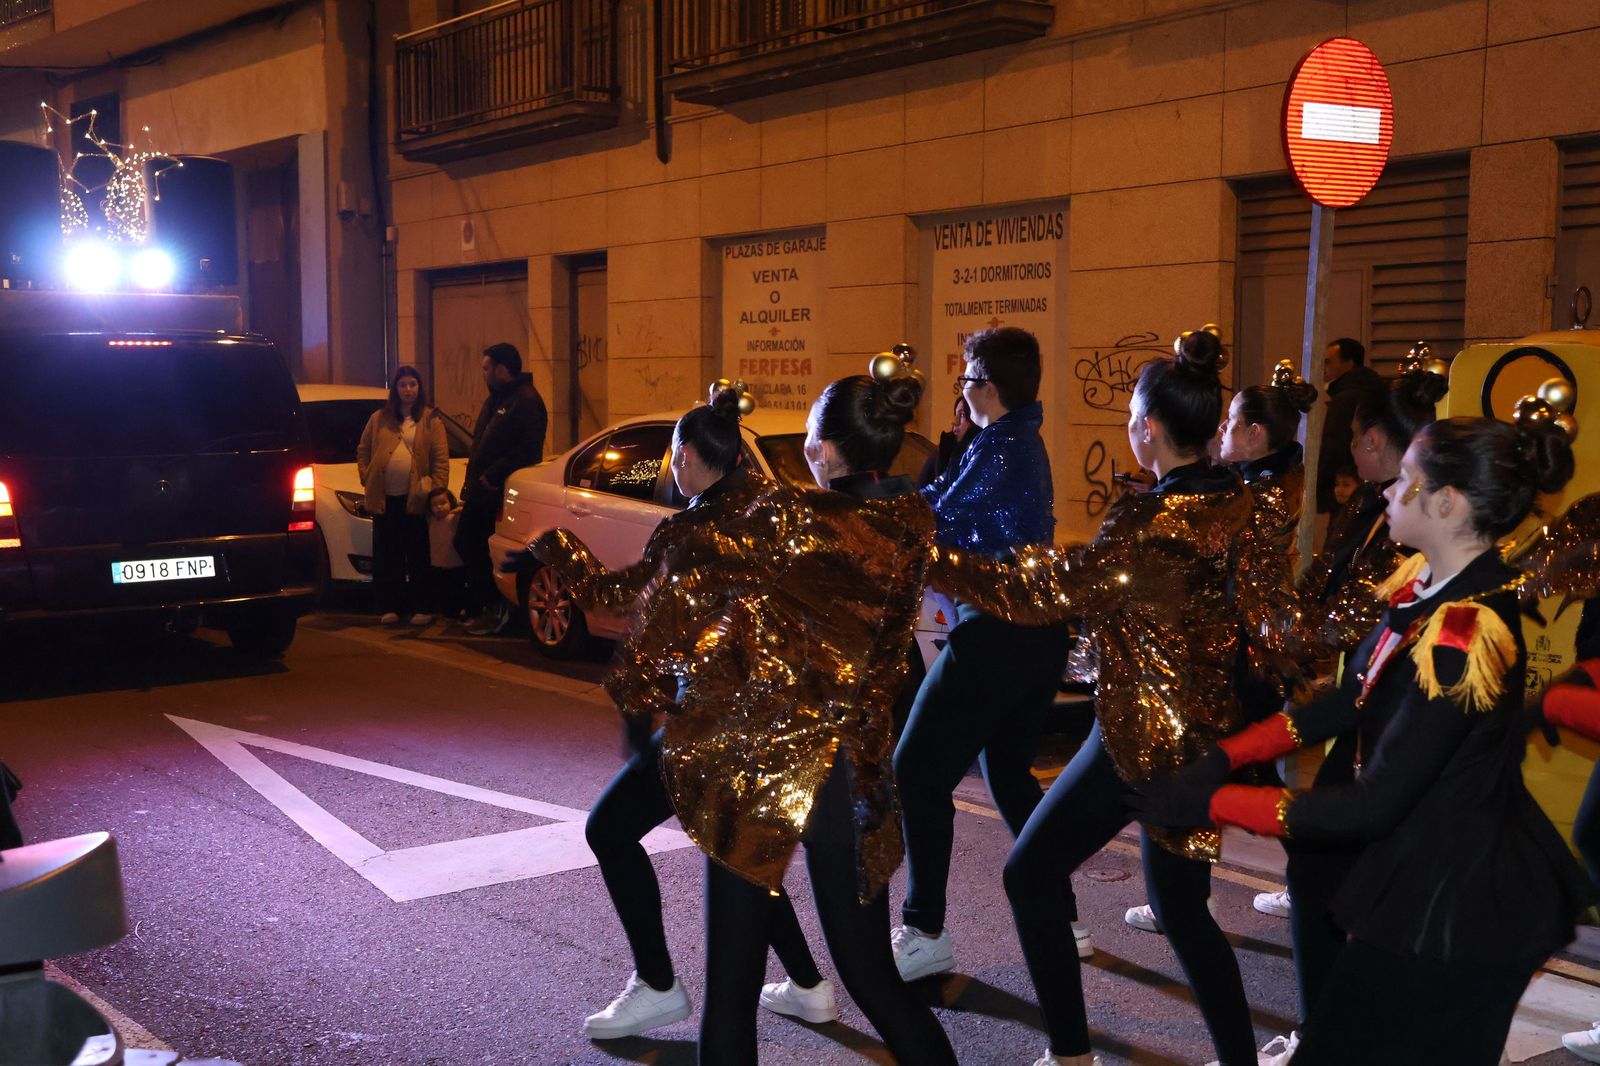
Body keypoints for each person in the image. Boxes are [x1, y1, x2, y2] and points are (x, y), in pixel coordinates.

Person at [1136, 414, 1594, 1066]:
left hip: (1466, 903)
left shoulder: (1465, 633)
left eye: (1405, 479)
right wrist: (1227, 756)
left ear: (1446, 502)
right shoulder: (1425, 582)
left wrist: (1211, 803)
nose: (1388, 491)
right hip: (1434, 873)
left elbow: (1373, 803)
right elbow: (1351, 698)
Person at [533, 365, 958, 1064]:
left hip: (763, 768)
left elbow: (665, 591)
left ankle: (713, 983)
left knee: (730, 998)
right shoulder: (912, 526)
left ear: (822, 449)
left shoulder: (787, 522)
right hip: (856, 779)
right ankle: (807, 983)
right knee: (876, 983)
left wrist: (563, 552)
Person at [924, 328, 1262, 1066]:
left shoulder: (1144, 522)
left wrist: (939, 562)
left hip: (1137, 741)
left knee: (1030, 876)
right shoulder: (1239, 507)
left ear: (1149, 429)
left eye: (1129, 417)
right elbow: (1270, 623)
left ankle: (1072, 1055)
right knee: (1182, 912)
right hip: (1199, 744)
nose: (1126, 428)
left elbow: (1047, 595)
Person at [523, 387, 834, 1041]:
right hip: (780, 722)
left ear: (686, 456)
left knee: (611, 830)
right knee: (740, 856)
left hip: (715, 727)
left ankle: (659, 984)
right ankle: (809, 987)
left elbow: (627, 606)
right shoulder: (776, 510)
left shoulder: (690, 532)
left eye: (671, 456)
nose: (671, 468)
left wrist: (555, 546)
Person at [891, 326, 1078, 982]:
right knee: (1007, 775)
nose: (961, 389)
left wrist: (868, 503)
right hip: (1034, 634)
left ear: (987, 387)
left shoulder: (1002, 448)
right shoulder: (1008, 439)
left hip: (998, 633)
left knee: (916, 771)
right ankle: (1063, 915)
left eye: (966, 378)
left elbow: (933, 518)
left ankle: (924, 930)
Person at [1123, 359, 1317, 939]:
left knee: (1217, 773)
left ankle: (1194, 899)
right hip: (1246, 653)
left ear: (1256, 434)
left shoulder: (1256, 497)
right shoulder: (1259, 485)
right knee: (1231, 773)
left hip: (1243, 657)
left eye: (1231, 423)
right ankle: (1194, 895)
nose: (1222, 432)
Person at [458, 342, 547, 635]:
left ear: (501, 369)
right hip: (481, 490)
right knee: (467, 541)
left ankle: (497, 607)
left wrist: (492, 477)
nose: (483, 374)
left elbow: (526, 450)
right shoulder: (497, 399)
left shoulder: (525, 401)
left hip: (497, 491)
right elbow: (482, 444)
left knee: (474, 542)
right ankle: (490, 605)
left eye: (487, 368)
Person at [357, 366, 448, 625]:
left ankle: (421, 607)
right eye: (403, 385)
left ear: (419, 388)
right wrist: (367, 476)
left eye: (412, 384)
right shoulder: (379, 418)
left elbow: (440, 461)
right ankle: (390, 607)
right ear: (395, 389)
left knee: (418, 554)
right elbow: (363, 450)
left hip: (416, 499)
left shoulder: (431, 420)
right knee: (388, 555)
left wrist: (437, 491)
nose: (408, 390)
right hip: (385, 498)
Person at [1315, 337, 1382, 516]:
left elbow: (1334, 445)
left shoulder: (1345, 399)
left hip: (1347, 485)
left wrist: (1321, 489)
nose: (1323, 368)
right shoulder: (1375, 391)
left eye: (1328, 362)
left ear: (1348, 364)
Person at [425, 488, 469, 622]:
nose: (439, 507)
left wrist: (459, 509)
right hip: (438, 563)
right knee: (443, 590)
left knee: (456, 589)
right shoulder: (431, 520)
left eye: (443, 503)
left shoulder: (454, 518)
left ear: (450, 502)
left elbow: (465, 511)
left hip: (455, 562)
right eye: (435, 505)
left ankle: (457, 611)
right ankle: (448, 612)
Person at [916, 394, 974, 488]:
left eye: (962, 414)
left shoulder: (982, 453)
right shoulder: (942, 452)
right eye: (955, 414)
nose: (955, 422)